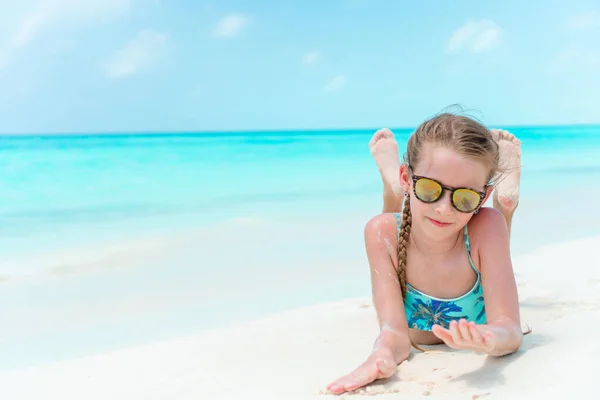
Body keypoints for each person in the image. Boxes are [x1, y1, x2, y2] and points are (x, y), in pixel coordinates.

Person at [326, 111, 524, 395]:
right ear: (409, 177)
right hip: (402, 225)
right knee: (393, 228)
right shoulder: (379, 233)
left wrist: (493, 337)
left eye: (465, 197)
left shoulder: (484, 224)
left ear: (482, 195)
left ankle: (505, 204)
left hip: (481, 231)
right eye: (430, 189)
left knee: (491, 225)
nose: (444, 208)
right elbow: (394, 332)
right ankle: (394, 190)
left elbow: (509, 328)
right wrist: (380, 355)